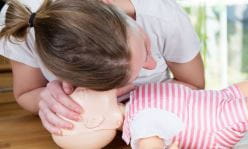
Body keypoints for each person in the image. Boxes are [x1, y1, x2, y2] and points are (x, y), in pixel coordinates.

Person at [0, 0, 204, 135]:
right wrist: (44, 98)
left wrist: (137, 108)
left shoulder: (164, 18)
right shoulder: (23, 22)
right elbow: (26, 92)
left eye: (145, 46)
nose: (151, 65)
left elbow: (195, 86)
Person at [51, 79, 248, 149]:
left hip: (212, 100)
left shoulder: (134, 100)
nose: (77, 88)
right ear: (95, 120)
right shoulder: (142, 125)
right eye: (77, 97)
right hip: (214, 125)